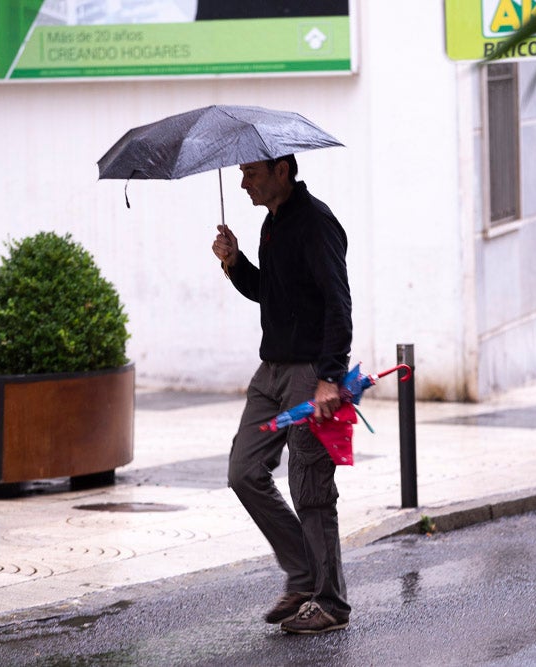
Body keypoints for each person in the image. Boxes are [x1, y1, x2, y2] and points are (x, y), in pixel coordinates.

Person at [211, 154, 352, 634]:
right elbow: (268, 292)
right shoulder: (271, 225)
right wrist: (235, 263)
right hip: (270, 372)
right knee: (244, 472)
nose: (244, 181)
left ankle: (329, 603)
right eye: (242, 173)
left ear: (282, 172)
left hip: (309, 373)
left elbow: (339, 302)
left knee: (310, 487)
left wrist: (331, 377)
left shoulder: (316, 224)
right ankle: (302, 576)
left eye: (251, 172)